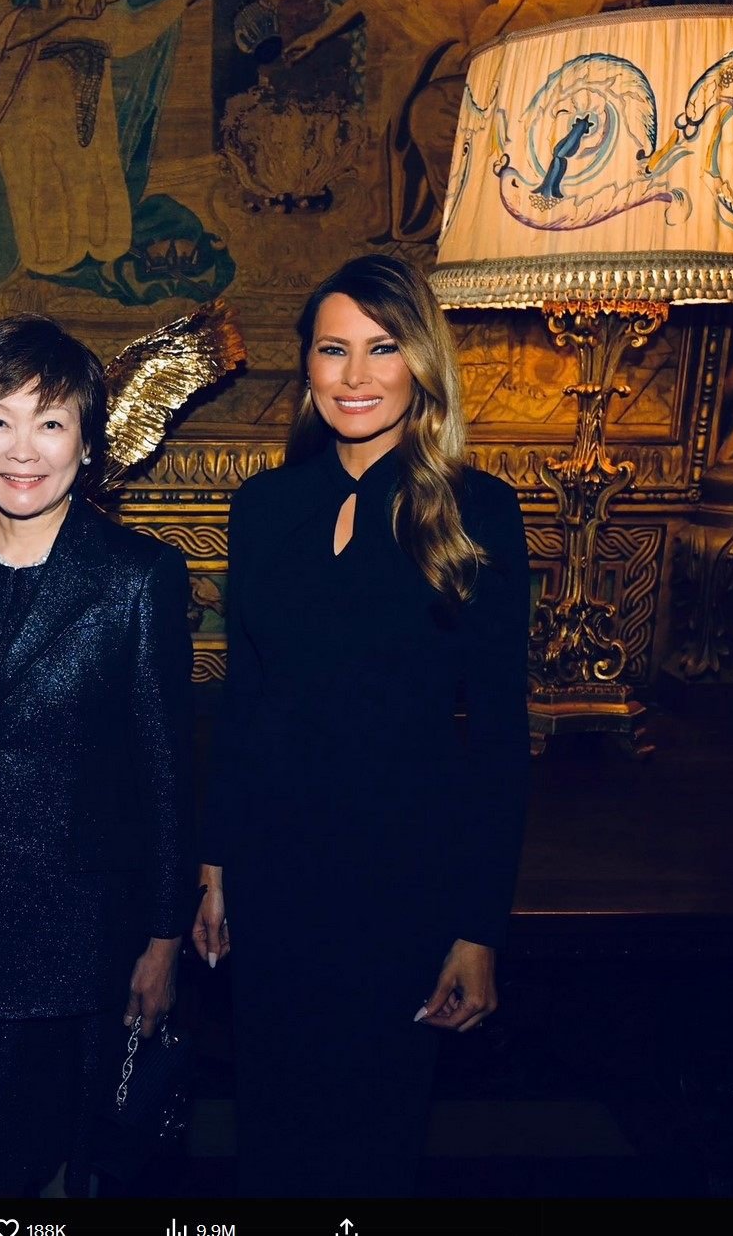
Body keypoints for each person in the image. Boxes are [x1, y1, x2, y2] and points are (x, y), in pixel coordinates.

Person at [193, 254, 530, 1197]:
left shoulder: (477, 513)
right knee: (271, 1130)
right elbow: (245, 701)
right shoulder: (266, 506)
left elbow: (498, 740)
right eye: (331, 349)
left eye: (381, 349)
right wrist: (215, 866)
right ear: (303, 365)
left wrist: (478, 929)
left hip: (402, 886)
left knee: (373, 1147)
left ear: (420, 362)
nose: (353, 375)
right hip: (274, 876)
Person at [0, 314, 196, 1197]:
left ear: (88, 445)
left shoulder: (138, 578)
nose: (23, 449)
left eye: (50, 422)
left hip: (78, 937)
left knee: (53, 1171)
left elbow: (167, 774)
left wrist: (165, 936)